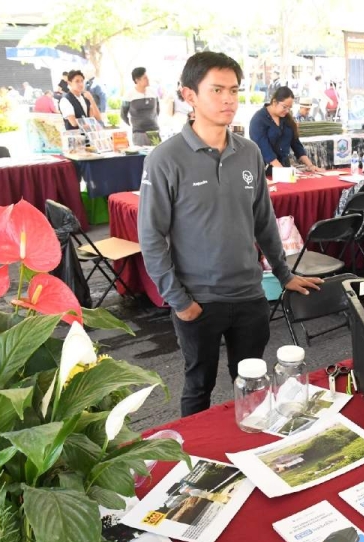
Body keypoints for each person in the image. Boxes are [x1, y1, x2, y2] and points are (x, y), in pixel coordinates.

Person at [138, 51, 322, 417]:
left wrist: (283, 274)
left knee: (253, 385)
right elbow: (152, 236)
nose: (228, 100)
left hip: (250, 297)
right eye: (217, 90)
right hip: (197, 300)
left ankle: (253, 450)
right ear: (189, 95)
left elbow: (263, 221)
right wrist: (178, 300)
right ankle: (195, 461)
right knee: (198, 386)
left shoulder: (249, 153)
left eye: (234, 91)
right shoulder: (165, 159)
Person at [249, 86, 320, 173]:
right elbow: (264, 148)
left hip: (284, 168)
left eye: (289, 108)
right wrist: (281, 170)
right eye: (284, 107)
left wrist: (310, 165)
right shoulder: (259, 119)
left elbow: (296, 144)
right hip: (265, 171)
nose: (287, 111)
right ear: (274, 102)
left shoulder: (287, 119)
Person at [121, 67, 160, 146]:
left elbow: (158, 110)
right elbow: (123, 114)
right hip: (139, 132)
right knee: (141, 156)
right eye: (145, 78)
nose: (148, 79)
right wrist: (133, 125)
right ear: (137, 80)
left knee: (156, 155)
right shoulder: (129, 95)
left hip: (154, 130)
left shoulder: (153, 92)